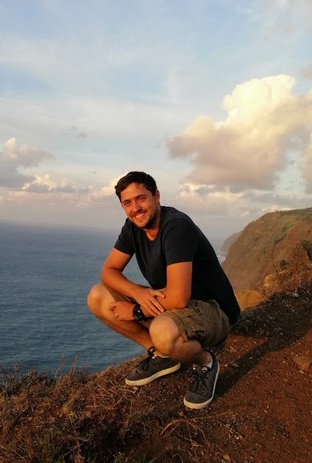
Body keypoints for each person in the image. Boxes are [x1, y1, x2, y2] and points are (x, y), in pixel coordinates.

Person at [87, 171, 240, 409]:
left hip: (213, 309)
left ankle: (206, 363)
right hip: (177, 306)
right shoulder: (132, 227)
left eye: (141, 198)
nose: (135, 208)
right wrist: (138, 293)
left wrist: (136, 311)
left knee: (163, 331)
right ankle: (162, 355)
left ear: (156, 196)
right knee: (98, 296)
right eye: (127, 203)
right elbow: (108, 271)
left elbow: (178, 298)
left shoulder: (176, 227)